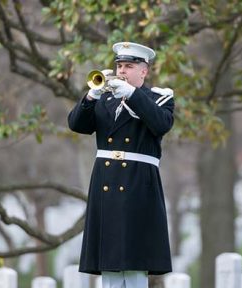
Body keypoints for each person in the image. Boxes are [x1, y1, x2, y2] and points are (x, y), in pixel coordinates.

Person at [68, 41, 174, 288]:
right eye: (119, 66)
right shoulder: (105, 99)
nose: (122, 72)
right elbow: (76, 125)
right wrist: (91, 96)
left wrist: (132, 95)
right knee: (110, 265)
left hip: (138, 185)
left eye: (128, 66)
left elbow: (161, 124)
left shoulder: (158, 98)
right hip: (106, 184)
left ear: (143, 71)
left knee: (135, 264)